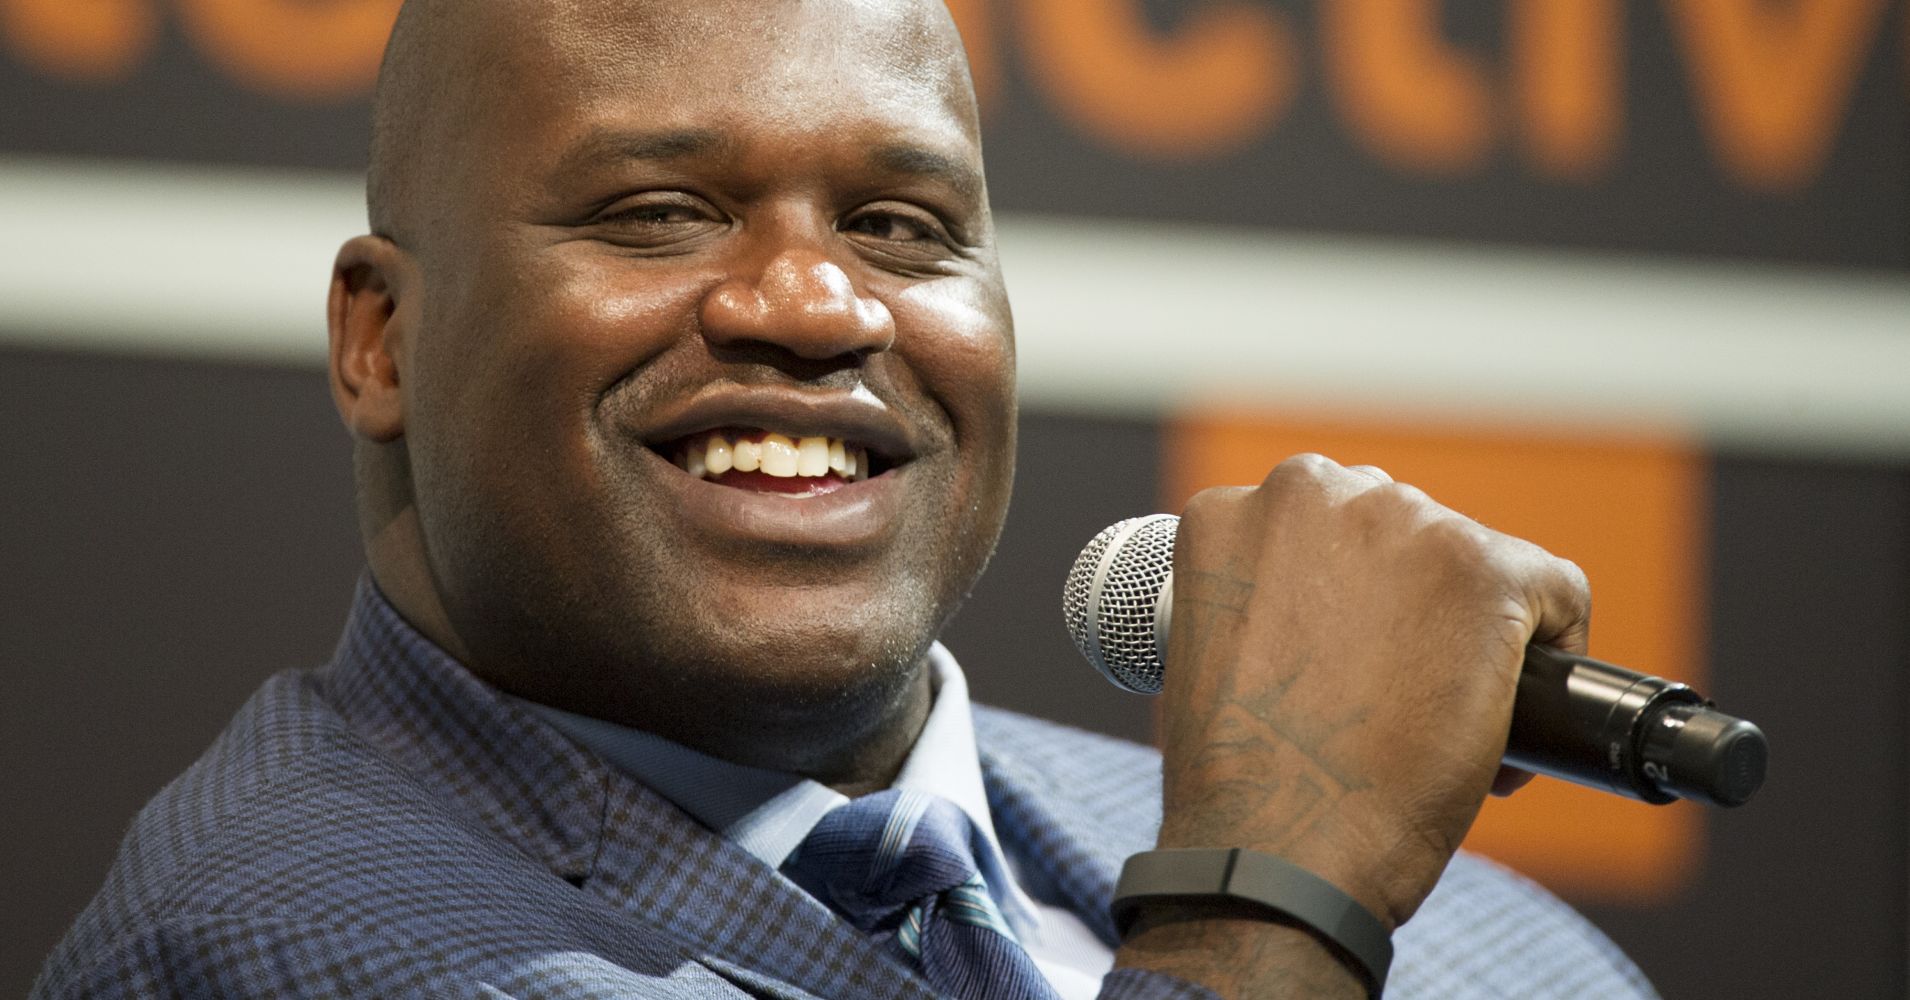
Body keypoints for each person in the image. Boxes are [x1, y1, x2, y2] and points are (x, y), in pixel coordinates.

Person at [35, 1, 1657, 997]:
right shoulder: (286, 941)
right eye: (660, 210)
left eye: (900, 226)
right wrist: (1269, 908)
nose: (817, 305)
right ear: (381, 341)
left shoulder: (1495, 954)